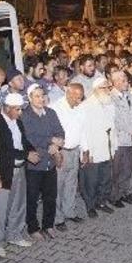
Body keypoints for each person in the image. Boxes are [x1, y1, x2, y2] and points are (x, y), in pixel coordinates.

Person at [0, 92, 37, 257]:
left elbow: (23, 141)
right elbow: (4, 150)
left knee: (18, 204)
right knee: (1, 208)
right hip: (6, 171)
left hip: (20, 169)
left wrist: (31, 149)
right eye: (17, 109)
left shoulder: (17, 121)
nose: (20, 112)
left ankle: (14, 235)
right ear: (7, 108)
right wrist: (26, 155)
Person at [20, 85, 65, 240]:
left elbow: (60, 131)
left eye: (42, 95)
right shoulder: (25, 115)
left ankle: (48, 225)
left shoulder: (51, 113)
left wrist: (57, 143)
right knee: (32, 198)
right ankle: (33, 228)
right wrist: (50, 143)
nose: (41, 99)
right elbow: (29, 137)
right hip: (35, 164)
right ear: (30, 98)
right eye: (37, 96)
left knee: (50, 196)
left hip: (50, 163)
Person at [79, 77, 117, 216]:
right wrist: (86, 150)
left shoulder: (109, 103)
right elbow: (83, 131)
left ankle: (101, 201)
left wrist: (114, 146)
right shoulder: (86, 106)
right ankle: (90, 206)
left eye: (108, 87)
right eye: (104, 88)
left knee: (105, 178)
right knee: (91, 180)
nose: (107, 90)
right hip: (93, 148)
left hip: (107, 146)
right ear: (95, 90)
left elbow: (113, 126)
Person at [51, 83, 87, 231]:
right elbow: (52, 133)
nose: (79, 101)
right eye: (77, 98)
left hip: (75, 150)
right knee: (58, 185)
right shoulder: (55, 107)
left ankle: (69, 212)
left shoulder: (80, 107)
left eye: (81, 98)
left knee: (72, 183)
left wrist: (85, 150)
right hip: (62, 151)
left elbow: (83, 129)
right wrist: (56, 152)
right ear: (69, 93)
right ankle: (58, 218)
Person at [109, 70, 132, 206]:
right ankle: (114, 197)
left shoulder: (128, 95)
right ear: (116, 82)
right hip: (118, 139)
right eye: (124, 80)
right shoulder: (111, 98)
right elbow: (117, 121)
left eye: (126, 80)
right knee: (117, 171)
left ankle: (124, 193)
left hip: (129, 138)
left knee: (127, 169)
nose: (127, 83)